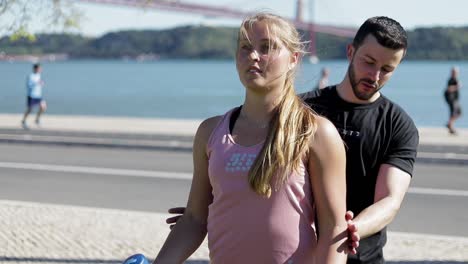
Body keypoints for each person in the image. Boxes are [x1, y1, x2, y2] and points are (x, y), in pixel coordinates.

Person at [166, 16, 419, 264]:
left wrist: (354, 227)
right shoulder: (220, 130)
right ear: (351, 52)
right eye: (369, 62)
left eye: (386, 70)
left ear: (294, 59)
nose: (375, 75)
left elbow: (386, 202)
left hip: (358, 252)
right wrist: (214, 214)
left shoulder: (384, 125)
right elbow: (197, 218)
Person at [153, 12, 348, 263]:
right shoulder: (210, 132)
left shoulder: (315, 132)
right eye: (245, 48)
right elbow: (194, 219)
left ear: (293, 59)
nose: (253, 56)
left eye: (267, 47)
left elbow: (334, 229)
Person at [21, 63, 47, 129]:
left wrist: (41, 83)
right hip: (31, 95)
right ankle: (23, 121)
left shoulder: (39, 75)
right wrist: (37, 83)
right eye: (39, 68)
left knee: (43, 107)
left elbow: (40, 83)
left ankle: (37, 120)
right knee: (30, 110)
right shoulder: (30, 76)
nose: (40, 70)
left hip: (38, 95)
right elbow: (28, 85)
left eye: (40, 68)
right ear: (35, 68)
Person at [444, 66, 462, 134]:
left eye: (457, 72)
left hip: (455, 99)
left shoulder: (455, 79)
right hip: (451, 99)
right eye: (455, 72)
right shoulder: (451, 80)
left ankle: (449, 124)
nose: (456, 73)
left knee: (459, 113)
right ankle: (450, 126)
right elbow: (448, 89)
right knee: (453, 113)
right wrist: (457, 86)